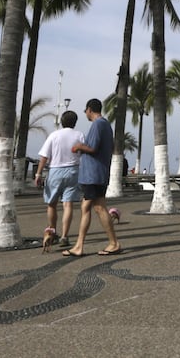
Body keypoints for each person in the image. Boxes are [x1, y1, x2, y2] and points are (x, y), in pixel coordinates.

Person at [65, 98, 121, 257]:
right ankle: (79, 245)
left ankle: (113, 243)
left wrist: (78, 147)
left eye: (85, 111)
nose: (85, 114)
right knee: (86, 208)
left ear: (89, 109)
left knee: (99, 208)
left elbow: (93, 147)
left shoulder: (98, 124)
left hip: (94, 175)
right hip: (96, 174)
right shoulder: (105, 124)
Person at [34, 109, 84, 248]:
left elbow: (44, 156)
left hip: (55, 170)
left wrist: (38, 174)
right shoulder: (79, 135)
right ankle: (65, 236)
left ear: (62, 122)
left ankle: (52, 231)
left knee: (52, 204)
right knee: (68, 204)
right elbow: (84, 153)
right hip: (73, 170)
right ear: (75, 122)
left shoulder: (54, 135)